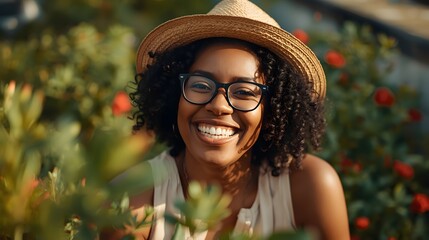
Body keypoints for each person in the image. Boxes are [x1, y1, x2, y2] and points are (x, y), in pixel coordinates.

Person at [103, 0, 350, 239]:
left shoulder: (309, 186)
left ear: (273, 109)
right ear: (174, 95)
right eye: (200, 85)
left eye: (244, 91)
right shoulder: (134, 198)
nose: (218, 105)